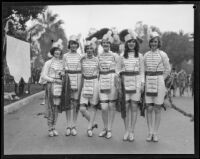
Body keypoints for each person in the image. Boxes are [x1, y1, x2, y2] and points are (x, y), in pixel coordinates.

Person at [143, 32, 171, 142]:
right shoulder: (145, 55)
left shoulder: (163, 54)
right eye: (152, 42)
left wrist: (160, 79)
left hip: (159, 82)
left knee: (157, 108)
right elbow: (143, 69)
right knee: (149, 108)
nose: (153, 43)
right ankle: (149, 132)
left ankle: (155, 132)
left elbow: (168, 70)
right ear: (149, 43)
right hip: (148, 82)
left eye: (155, 41)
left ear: (158, 42)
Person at [119, 29, 144, 142]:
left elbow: (142, 71)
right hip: (125, 84)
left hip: (136, 83)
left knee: (134, 108)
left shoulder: (140, 56)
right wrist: (118, 76)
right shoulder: (121, 56)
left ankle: (132, 131)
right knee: (126, 107)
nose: (131, 44)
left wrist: (142, 83)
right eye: (129, 42)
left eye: (133, 42)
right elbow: (117, 69)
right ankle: (126, 130)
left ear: (136, 43)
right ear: (126, 43)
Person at [97, 30, 121, 139]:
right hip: (102, 81)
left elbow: (119, 68)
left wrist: (116, 77)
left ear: (110, 44)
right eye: (104, 43)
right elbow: (96, 69)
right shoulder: (98, 56)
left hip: (111, 81)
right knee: (104, 107)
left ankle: (109, 129)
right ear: (102, 44)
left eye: (107, 43)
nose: (106, 44)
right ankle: (105, 128)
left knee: (111, 105)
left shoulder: (115, 55)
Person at [41, 45, 65, 137]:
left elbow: (64, 75)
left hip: (59, 87)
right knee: (51, 107)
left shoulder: (62, 63)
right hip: (51, 85)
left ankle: (54, 127)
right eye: (56, 52)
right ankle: (50, 128)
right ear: (53, 53)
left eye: (59, 52)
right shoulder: (48, 63)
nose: (57, 53)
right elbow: (43, 75)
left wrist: (63, 76)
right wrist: (54, 80)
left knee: (56, 107)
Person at [63, 35, 83, 136]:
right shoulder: (65, 56)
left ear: (77, 45)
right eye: (72, 44)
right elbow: (62, 68)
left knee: (76, 103)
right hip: (68, 79)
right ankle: (68, 125)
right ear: (69, 45)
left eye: (75, 44)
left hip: (78, 79)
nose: (73, 45)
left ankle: (74, 125)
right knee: (68, 102)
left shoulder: (80, 56)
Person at [79, 40, 99, 137]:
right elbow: (78, 69)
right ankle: (93, 122)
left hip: (95, 83)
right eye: (88, 49)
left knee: (93, 106)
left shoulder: (97, 60)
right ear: (85, 50)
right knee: (82, 108)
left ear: (94, 50)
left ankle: (89, 127)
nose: (90, 50)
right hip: (85, 83)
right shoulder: (82, 59)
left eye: (91, 48)